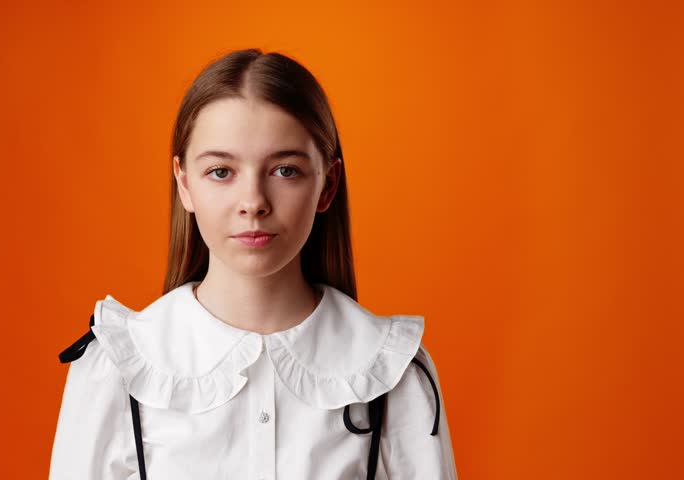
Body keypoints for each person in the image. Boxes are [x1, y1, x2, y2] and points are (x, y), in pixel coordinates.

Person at [49, 48, 458, 479]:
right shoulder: (116, 370)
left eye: (284, 170)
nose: (253, 203)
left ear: (327, 184)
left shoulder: (392, 372)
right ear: (184, 184)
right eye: (221, 172)